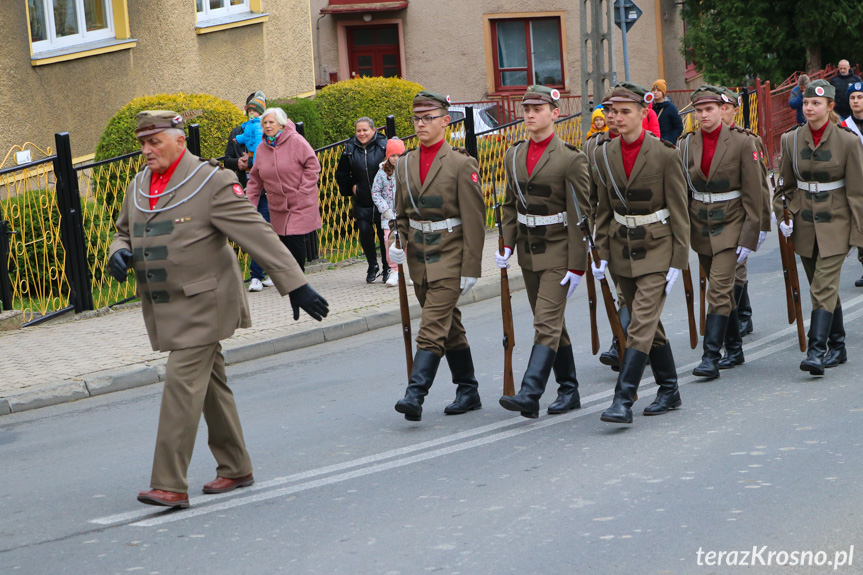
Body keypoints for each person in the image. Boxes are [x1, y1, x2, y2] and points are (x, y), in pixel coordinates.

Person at [107, 110, 329, 509]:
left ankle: (169, 483)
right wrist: (118, 251)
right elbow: (123, 230)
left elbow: (255, 231)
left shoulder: (211, 181)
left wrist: (295, 285)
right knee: (211, 387)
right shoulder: (139, 185)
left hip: (205, 303)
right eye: (142, 143)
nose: (146, 150)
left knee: (181, 384)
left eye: (154, 141)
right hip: (166, 304)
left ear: (179, 141)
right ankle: (236, 466)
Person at [591, 82, 690, 424]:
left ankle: (623, 399)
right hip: (621, 249)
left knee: (639, 321)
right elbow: (603, 208)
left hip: (658, 247)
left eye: (624, 112)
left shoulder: (664, 154)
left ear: (643, 113)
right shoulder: (603, 154)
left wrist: (679, 260)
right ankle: (670, 389)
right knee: (647, 323)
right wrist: (601, 252)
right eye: (612, 112)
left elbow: (680, 209)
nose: (616, 118)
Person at [388, 90, 486, 422]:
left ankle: (415, 394)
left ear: (446, 121)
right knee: (449, 325)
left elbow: (475, 219)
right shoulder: (404, 164)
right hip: (419, 258)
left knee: (431, 326)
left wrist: (472, 266)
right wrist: (395, 241)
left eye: (428, 118)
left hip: (451, 255)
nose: (420, 124)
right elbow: (400, 216)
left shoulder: (460, 163)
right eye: (416, 118)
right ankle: (468, 389)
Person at [495, 85, 591, 418]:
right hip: (529, 251)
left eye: (538, 109)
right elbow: (509, 206)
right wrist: (507, 243)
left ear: (555, 112)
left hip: (559, 251)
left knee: (544, 323)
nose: (531, 115)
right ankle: (569, 389)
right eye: (526, 110)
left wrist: (578, 264)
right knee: (552, 323)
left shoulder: (570, 158)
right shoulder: (514, 155)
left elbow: (582, 214)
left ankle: (529, 392)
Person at [775, 79, 863, 375]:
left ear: (829, 106)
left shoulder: (848, 141)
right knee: (821, 287)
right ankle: (837, 346)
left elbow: (858, 193)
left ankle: (816, 350)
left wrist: (859, 234)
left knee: (823, 285)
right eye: (807, 103)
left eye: (816, 103)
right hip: (804, 224)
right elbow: (783, 187)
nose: (809, 107)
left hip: (836, 223)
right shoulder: (791, 140)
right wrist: (782, 216)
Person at [678, 86, 763, 379]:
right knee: (722, 291)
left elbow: (754, 192)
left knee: (717, 289)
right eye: (699, 111)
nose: (703, 115)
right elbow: (683, 191)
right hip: (701, 224)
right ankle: (735, 349)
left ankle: (710, 357)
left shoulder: (741, 143)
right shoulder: (686, 144)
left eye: (709, 109)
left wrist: (752, 233)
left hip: (732, 222)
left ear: (721, 110)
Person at [717, 86, 770, 342]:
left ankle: (736, 317)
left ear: (735, 111)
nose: (720, 112)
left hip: (740, 216)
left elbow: (760, 186)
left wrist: (761, 224)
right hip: (715, 220)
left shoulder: (748, 139)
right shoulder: (698, 143)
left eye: (725, 107)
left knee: (736, 267)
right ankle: (743, 313)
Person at [584, 91, 630, 372]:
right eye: (609, 111)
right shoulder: (592, 146)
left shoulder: (644, 144)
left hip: (639, 225)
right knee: (621, 288)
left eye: (618, 111)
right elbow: (589, 193)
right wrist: (587, 231)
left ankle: (619, 342)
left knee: (628, 290)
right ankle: (640, 341)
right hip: (607, 225)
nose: (612, 117)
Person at [246, 107, 322, 273]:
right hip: (278, 205)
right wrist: (249, 203)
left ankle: (298, 279)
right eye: (264, 122)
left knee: (295, 240)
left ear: (281, 124)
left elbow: (313, 165)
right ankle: (292, 278)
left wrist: (303, 191)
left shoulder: (296, 141)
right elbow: (255, 180)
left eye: (271, 122)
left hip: (299, 202)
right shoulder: (261, 149)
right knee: (284, 243)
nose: (267, 125)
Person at [224, 92, 273, 292]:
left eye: (257, 110)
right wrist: (238, 163)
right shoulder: (238, 132)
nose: (253, 114)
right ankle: (259, 274)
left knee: (266, 232)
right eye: (250, 109)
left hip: (268, 191)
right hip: (247, 190)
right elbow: (226, 160)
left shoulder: (269, 131)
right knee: (256, 233)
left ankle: (259, 275)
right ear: (245, 110)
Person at [336, 117, 389, 283]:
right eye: (358, 130)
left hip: (382, 200)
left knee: (384, 234)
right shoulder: (350, 148)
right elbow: (341, 173)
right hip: (363, 198)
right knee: (365, 232)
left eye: (365, 130)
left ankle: (387, 267)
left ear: (374, 130)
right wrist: (352, 186)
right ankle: (372, 265)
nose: (362, 133)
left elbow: (395, 166)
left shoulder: (383, 145)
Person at [371, 137, 412, 287]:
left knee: (408, 242)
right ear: (388, 156)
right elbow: (375, 192)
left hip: (406, 215)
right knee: (390, 241)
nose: (395, 159)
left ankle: (413, 271)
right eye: (392, 155)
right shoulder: (382, 173)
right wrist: (385, 209)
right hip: (389, 217)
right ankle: (394, 270)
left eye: (398, 155)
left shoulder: (408, 170)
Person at [838, 82, 863, 288]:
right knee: (860, 224)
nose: (856, 101)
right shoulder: (844, 127)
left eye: (860, 97)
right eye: (853, 98)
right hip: (856, 183)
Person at [234, 91, 266, 167]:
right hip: (250, 152)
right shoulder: (250, 124)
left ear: (260, 113)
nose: (251, 113)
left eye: (254, 111)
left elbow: (259, 143)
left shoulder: (258, 125)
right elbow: (246, 135)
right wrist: (238, 139)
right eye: (250, 111)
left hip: (254, 153)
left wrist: (255, 161)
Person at [651, 79, 683, 144]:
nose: (655, 92)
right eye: (653, 90)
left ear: (663, 93)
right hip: (652, 144)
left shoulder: (671, 108)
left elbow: (679, 127)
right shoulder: (649, 107)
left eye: (659, 90)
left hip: (666, 145)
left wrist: (668, 140)